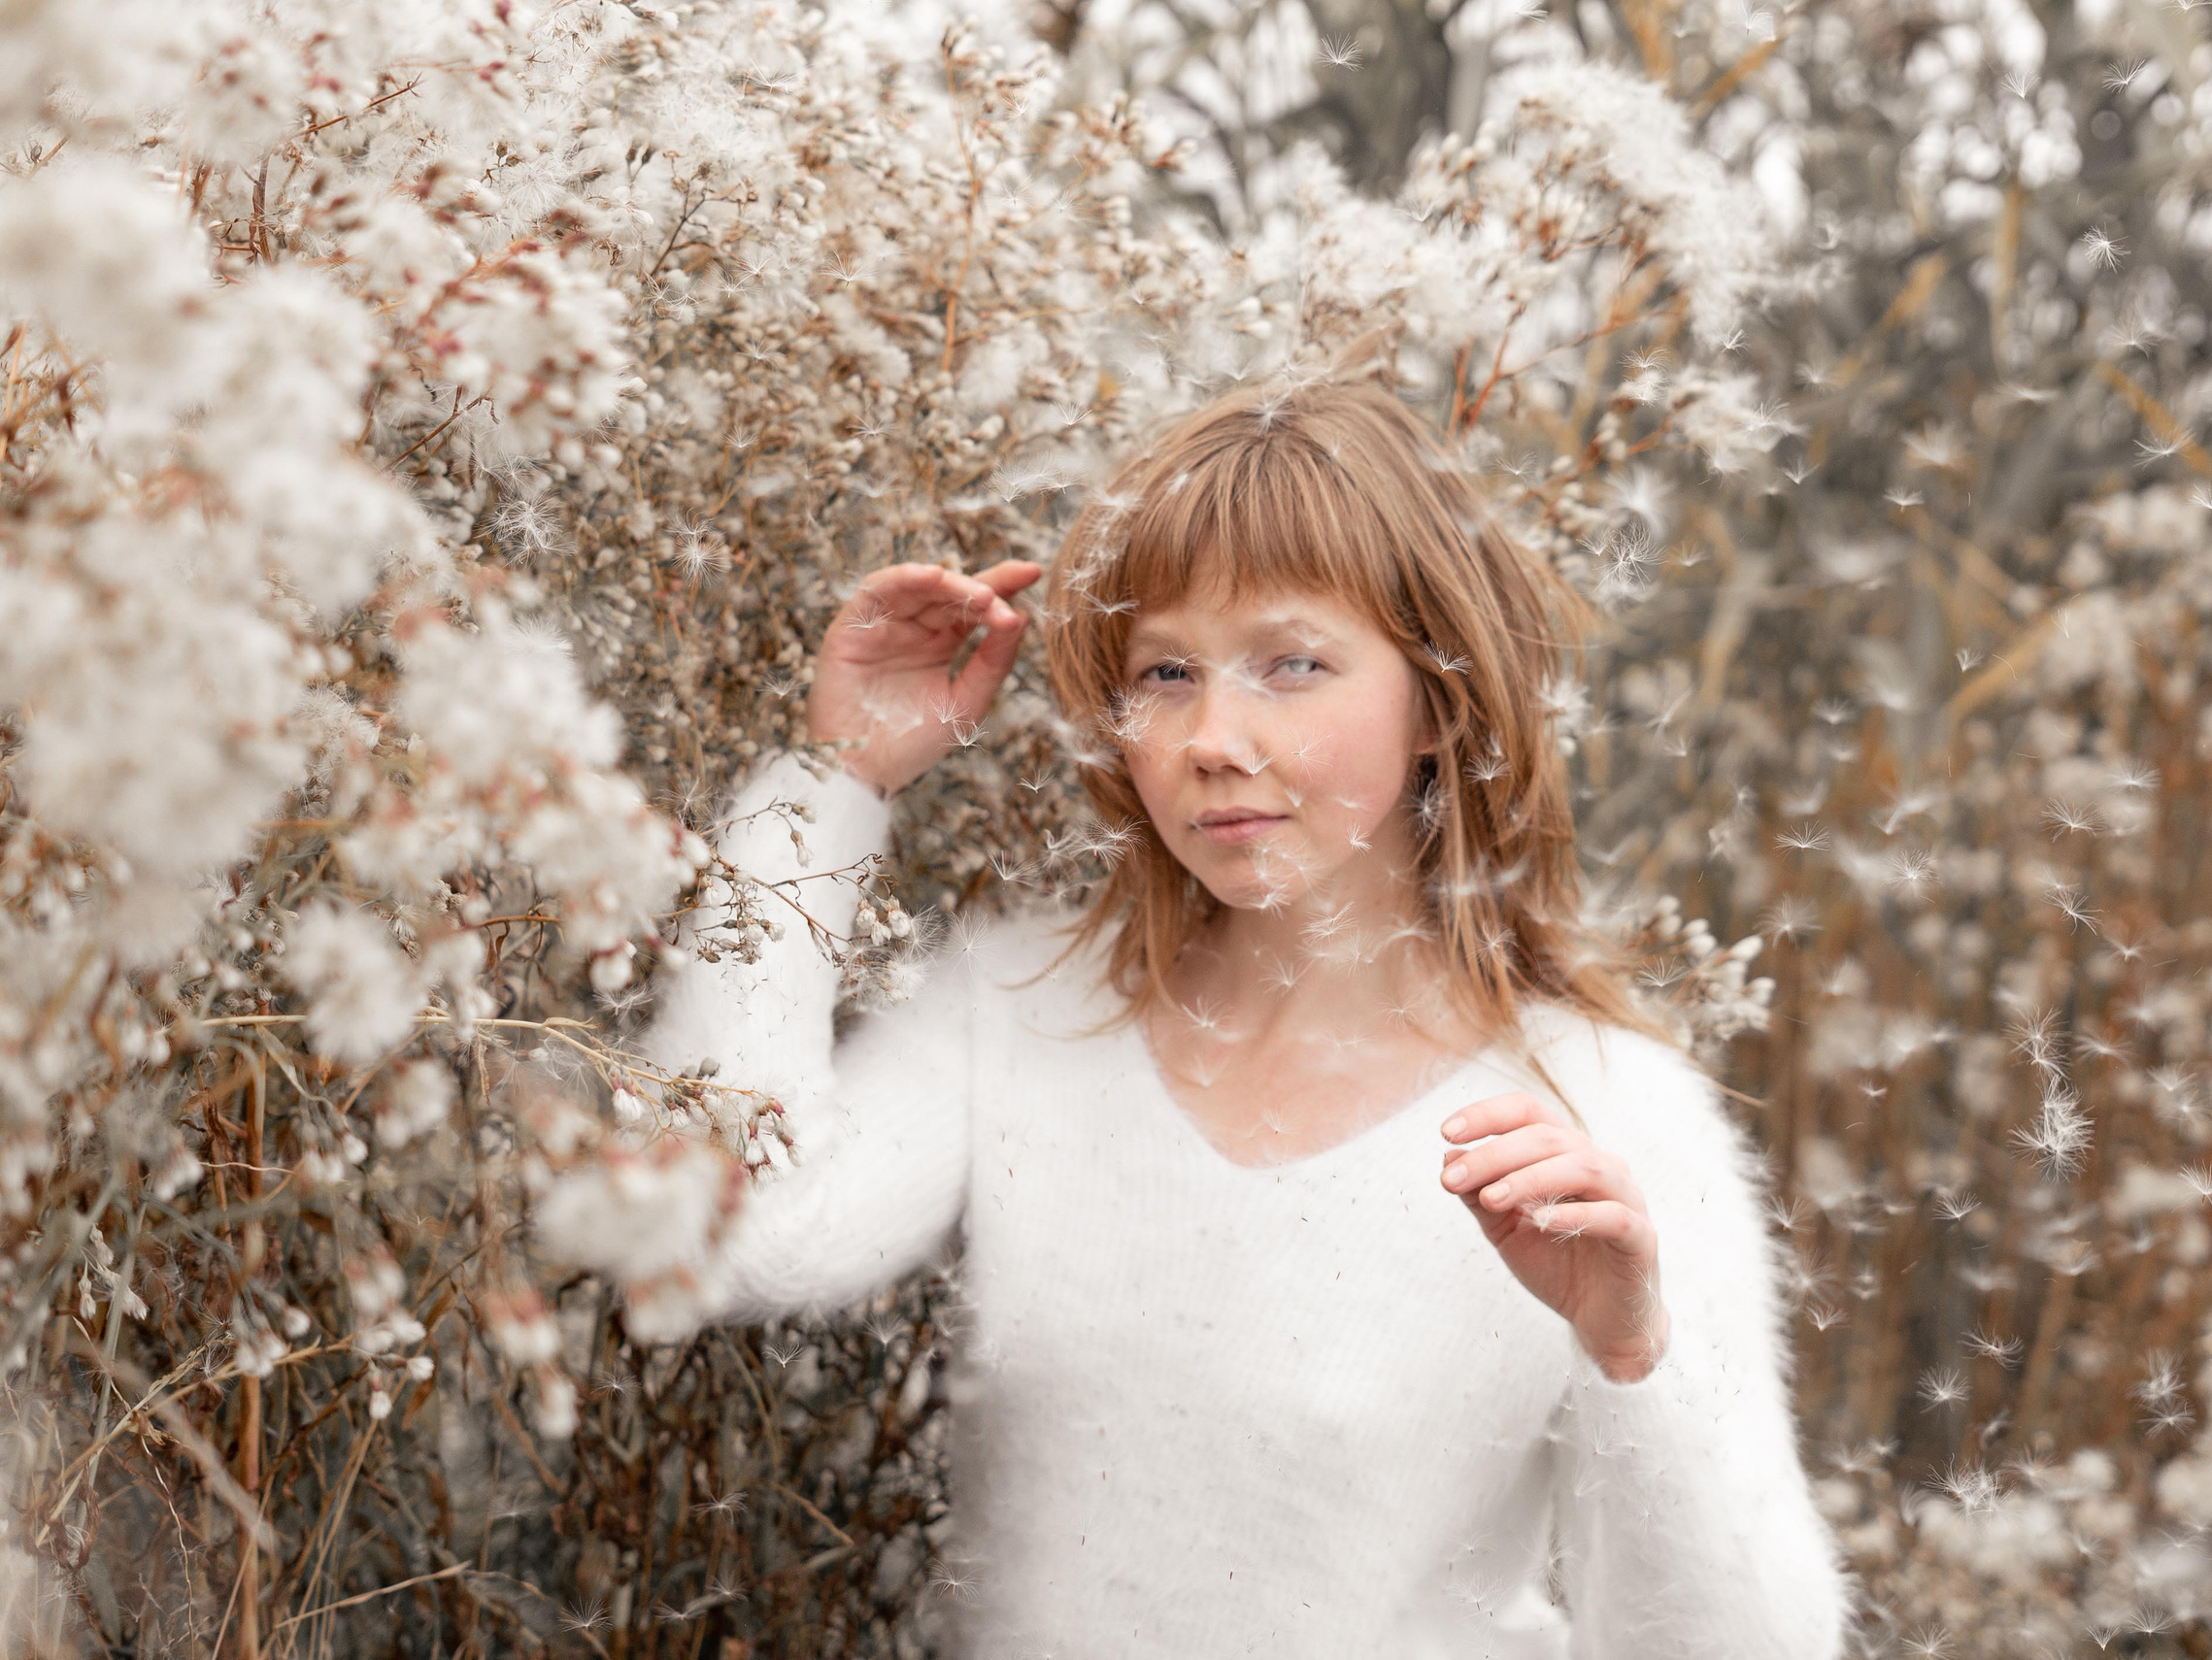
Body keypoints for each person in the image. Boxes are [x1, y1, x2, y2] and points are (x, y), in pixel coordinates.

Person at [637, 377, 1853, 1657]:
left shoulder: (1607, 1110)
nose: (1213, 734)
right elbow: (729, 1237)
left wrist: (1635, 1349)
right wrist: (831, 783)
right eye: (1166, 670)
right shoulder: (1022, 1009)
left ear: (1437, 696)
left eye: (1294, 664)